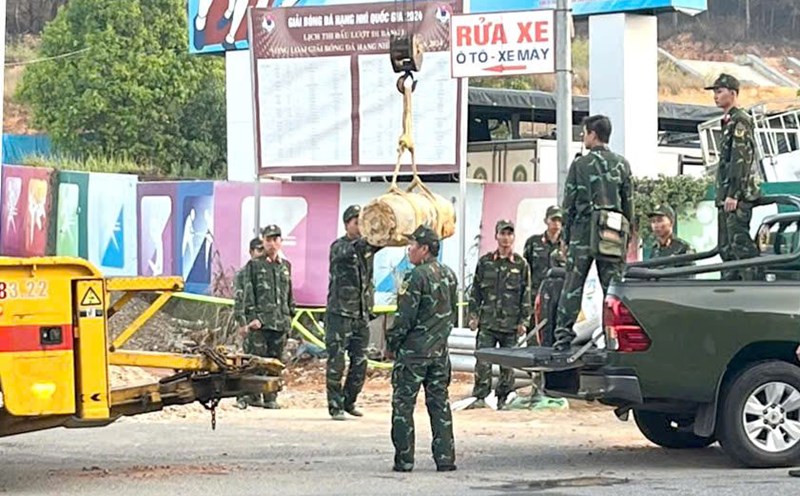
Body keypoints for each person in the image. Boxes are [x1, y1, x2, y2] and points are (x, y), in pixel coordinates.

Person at [553, 114, 633, 352]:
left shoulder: (580, 165)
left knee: (572, 286)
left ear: (593, 134)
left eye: (585, 133)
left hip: (583, 232)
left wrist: (565, 238)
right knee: (613, 289)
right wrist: (626, 236)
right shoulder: (622, 164)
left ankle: (562, 338)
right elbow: (628, 204)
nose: (583, 137)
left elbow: (568, 204)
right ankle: (614, 339)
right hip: (612, 232)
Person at [386, 225, 458, 473]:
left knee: (403, 406)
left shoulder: (415, 277)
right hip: (439, 353)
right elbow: (451, 314)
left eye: (413, 245)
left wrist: (392, 344)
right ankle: (445, 458)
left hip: (414, 354)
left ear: (425, 249)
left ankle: (404, 460)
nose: (409, 250)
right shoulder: (449, 275)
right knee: (439, 405)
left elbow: (404, 318)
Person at [325, 204, 383, 421]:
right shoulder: (339, 247)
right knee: (336, 361)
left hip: (361, 313)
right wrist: (370, 238)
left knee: (360, 361)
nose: (360, 227)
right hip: (340, 313)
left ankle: (349, 401)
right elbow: (353, 249)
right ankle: (335, 406)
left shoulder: (366, 247)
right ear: (346, 224)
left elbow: (383, 240)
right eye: (356, 223)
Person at [467, 219, 532, 409]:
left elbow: (526, 294)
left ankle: (504, 397)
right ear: (496, 236)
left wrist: (524, 321)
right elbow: (476, 291)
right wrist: (473, 316)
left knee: (508, 366)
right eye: (502, 233)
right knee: (483, 362)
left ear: (513, 237)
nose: (506, 238)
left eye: (509, 234)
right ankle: (480, 396)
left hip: (510, 325)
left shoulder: (521, 264)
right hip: (488, 323)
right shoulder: (485, 262)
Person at [706, 73, 762, 281]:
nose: (716, 96)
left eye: (719, 91)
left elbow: (741, 159)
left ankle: (755, 286)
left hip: (736, 196)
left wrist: (733, 194)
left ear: (733, 93)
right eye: (715, 92)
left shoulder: (740, 120)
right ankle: (732, 287)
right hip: (726, 195)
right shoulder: (729, 120)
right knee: (726, 247)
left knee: (740, 246)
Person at [239, 224, 296, 409]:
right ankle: (253, 396)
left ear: (280, 241)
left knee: (275, 363)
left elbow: (289, 295)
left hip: (280, 323)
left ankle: (271, 397)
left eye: (275, 239)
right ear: (263, 242)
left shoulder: (285, 266)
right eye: (268, 239)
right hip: (261, 323)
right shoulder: (254, 265)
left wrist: (290, 317)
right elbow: (248, 294)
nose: (272, 243)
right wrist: (251, 319)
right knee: (256, 361)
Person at [233, 237, 266, 409]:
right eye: (259, 250)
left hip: (264, 323)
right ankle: (242, 396)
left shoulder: (266, 273)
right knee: (248, 361)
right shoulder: (243, 273)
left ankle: (256, 395)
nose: (261, 254)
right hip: (249, 323)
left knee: (262, 361)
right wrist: (242, 323)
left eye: (263, 250)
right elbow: (239, 299)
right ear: (251, 252)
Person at [523, 205, 564, 318]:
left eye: (559, 220)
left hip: (559, 298)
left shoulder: (567, 245)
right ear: (546, 221)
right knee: (535, 327)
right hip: (536, 297)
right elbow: (525, 272)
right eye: (553, 219)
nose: (557, 223)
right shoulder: (533, 243)